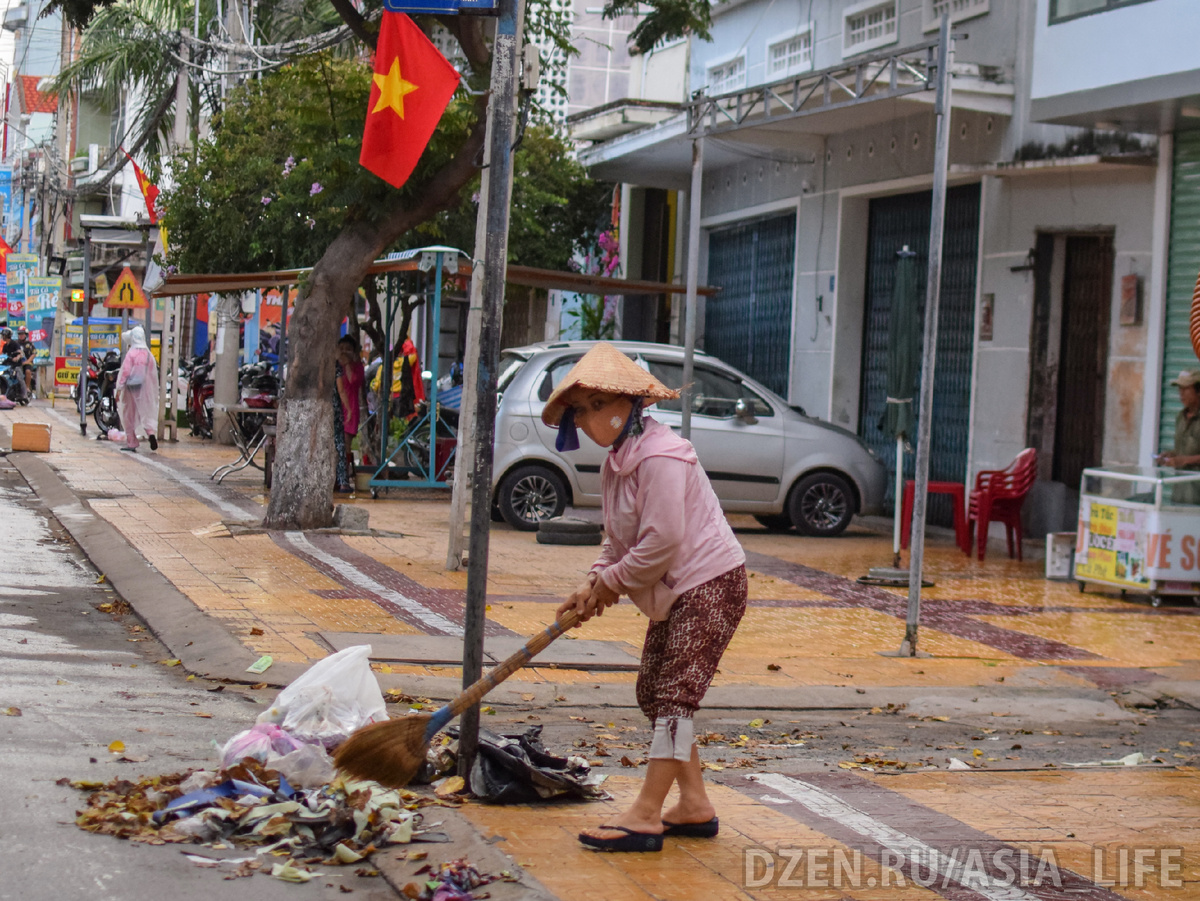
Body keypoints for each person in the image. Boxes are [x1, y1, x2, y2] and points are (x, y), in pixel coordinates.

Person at [547, 342, 747, 853]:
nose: (591, 420)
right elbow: (617, 542)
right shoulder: (619, 462)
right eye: (582, 409)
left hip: (710, 584)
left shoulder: (661, 455)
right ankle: (695, 805)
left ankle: (646, 814)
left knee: (675, 697)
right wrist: (592, 583)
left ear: (632, 403)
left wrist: (613, 584)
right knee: (653, 693)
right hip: (675, 592)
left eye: (599, 405)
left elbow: (662, 541)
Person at [115, 326, 160, 452]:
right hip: (145, 388)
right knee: (146, 411)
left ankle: (132, 442)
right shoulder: (148, 355)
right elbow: (152, 373)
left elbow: (125, 372)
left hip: (130, 388)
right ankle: (150, 432)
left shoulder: (131, 354)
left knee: (128, 414)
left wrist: (119, 389)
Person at [1158, 370, 1200, 503]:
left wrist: (1183, 460)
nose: (1181, 394)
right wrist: (1171, 455)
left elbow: (1186, 457)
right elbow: (1185, 450)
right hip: (1180, 494)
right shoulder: (1180, 418)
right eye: (1179, 389)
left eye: (1186, 389)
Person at [336, 335, 365, 490]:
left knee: (345, 445)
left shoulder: (357, 367)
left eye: (348, 349)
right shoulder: (333, 366)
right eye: (342, 349)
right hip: (335, 409)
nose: (344, 352)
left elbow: (353, 381)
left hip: (349, 410)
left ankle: (344, 479)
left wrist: (347, 365)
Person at [16, 327, 35, 393]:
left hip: (27, 362)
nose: (21, 336)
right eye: (19, 334)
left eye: (22, 334)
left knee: (27, 371)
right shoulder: (15, 343)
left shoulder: (29, 343)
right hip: (17, 362)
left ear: (26, 335)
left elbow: (33, 354)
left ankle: (27, 387)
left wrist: (27, 361)